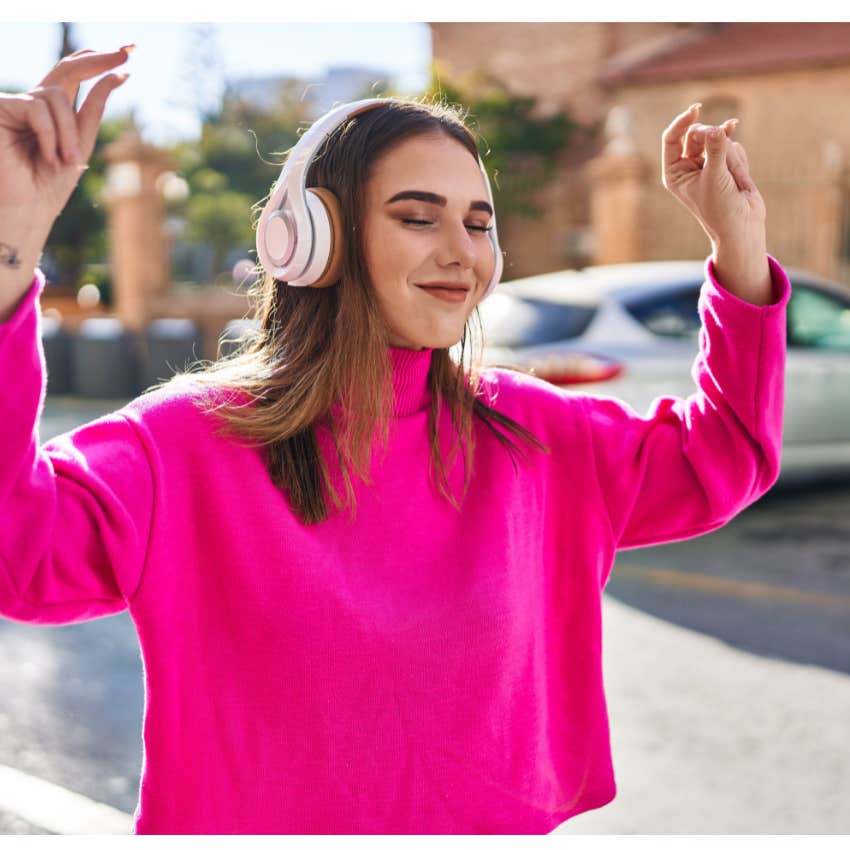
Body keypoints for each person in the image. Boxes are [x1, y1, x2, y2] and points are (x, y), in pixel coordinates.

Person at [0, 46, 789, 835]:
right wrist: (9, 250)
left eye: (478, 225)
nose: (462, 251)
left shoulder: (533, 430)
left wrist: (740, 247)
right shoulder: (184, 443)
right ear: (312, 239)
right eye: (417, 217)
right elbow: (18, 556)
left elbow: (726, 457)